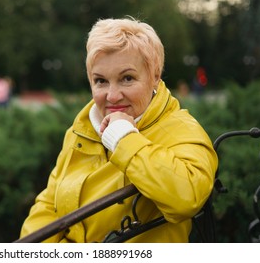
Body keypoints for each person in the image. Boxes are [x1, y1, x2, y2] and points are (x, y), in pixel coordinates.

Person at [19, 17, 218, 243]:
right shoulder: (80, 130)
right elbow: (49, 205)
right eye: (101, 81)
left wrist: (124, 138)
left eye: (127, 78)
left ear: (155, 77)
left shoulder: (182, 129)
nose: (112, 96)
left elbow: (186, 198)